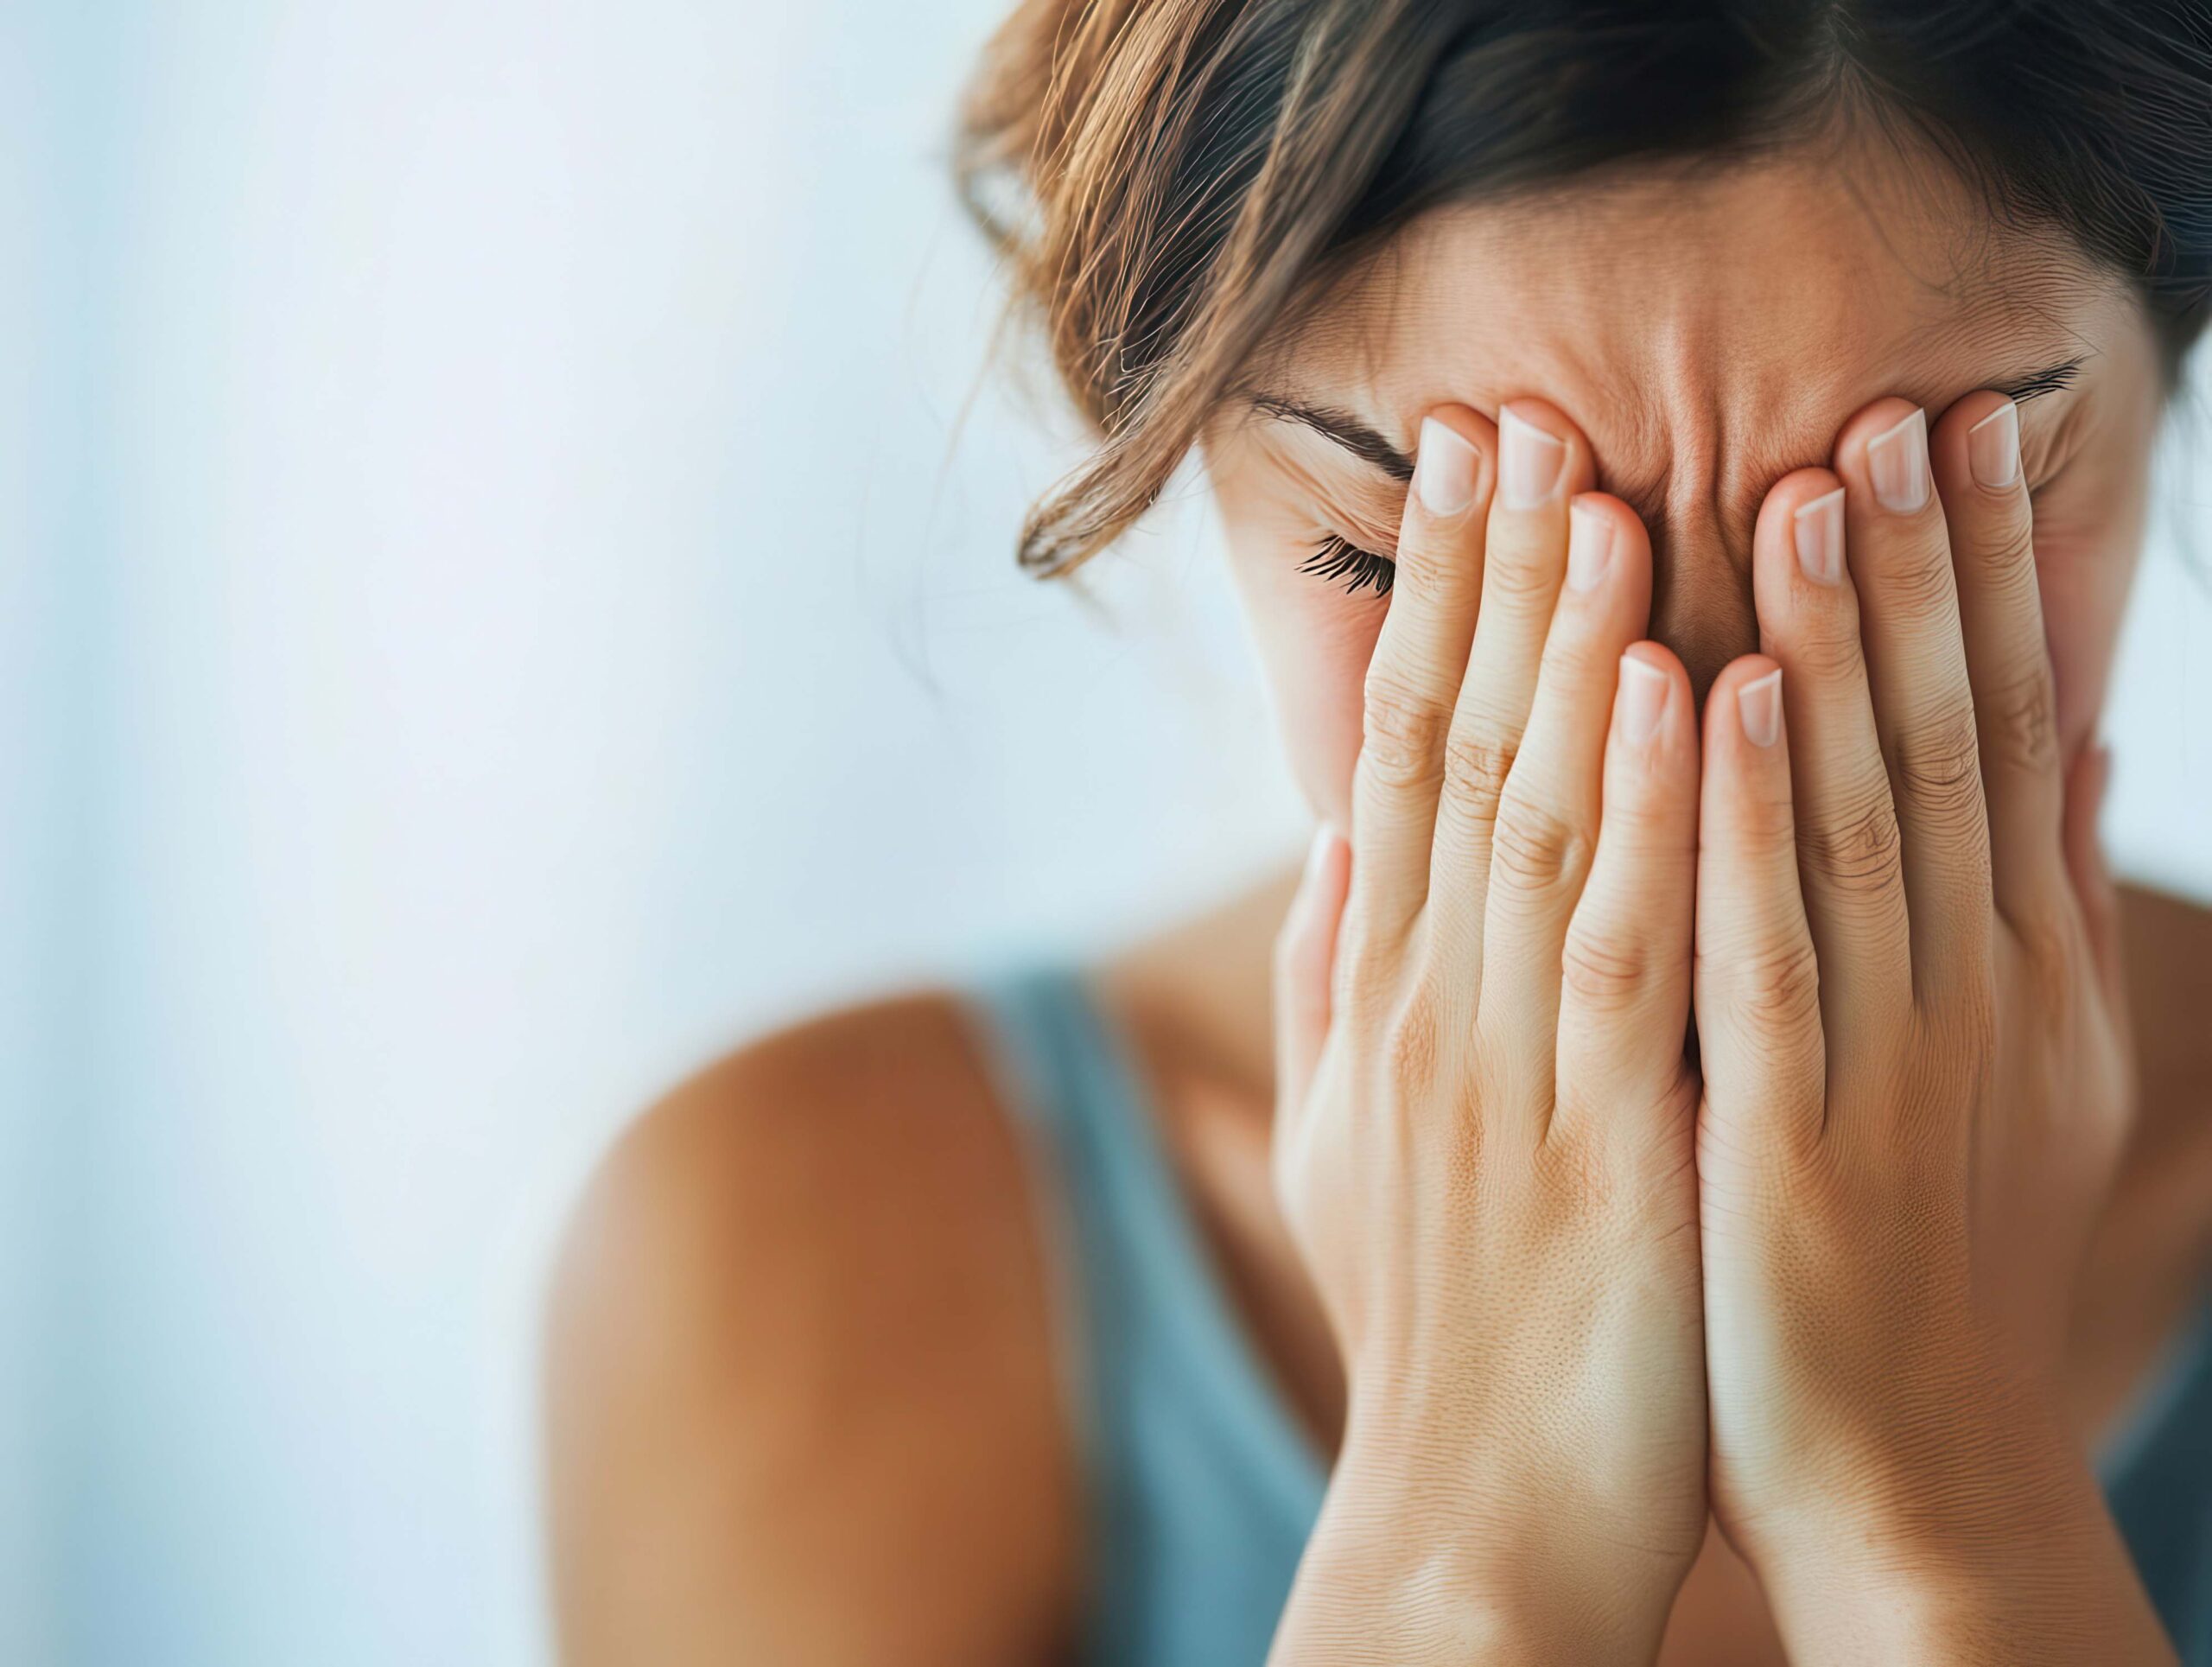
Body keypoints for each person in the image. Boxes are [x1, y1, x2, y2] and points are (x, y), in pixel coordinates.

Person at [543, 3, 2212, 1661]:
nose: (1688, 783)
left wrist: (1945, 1509)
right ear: (1186, 443)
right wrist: (1464, 1538)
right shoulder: (793, 1260)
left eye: (1918, 528)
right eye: (1410, 556)